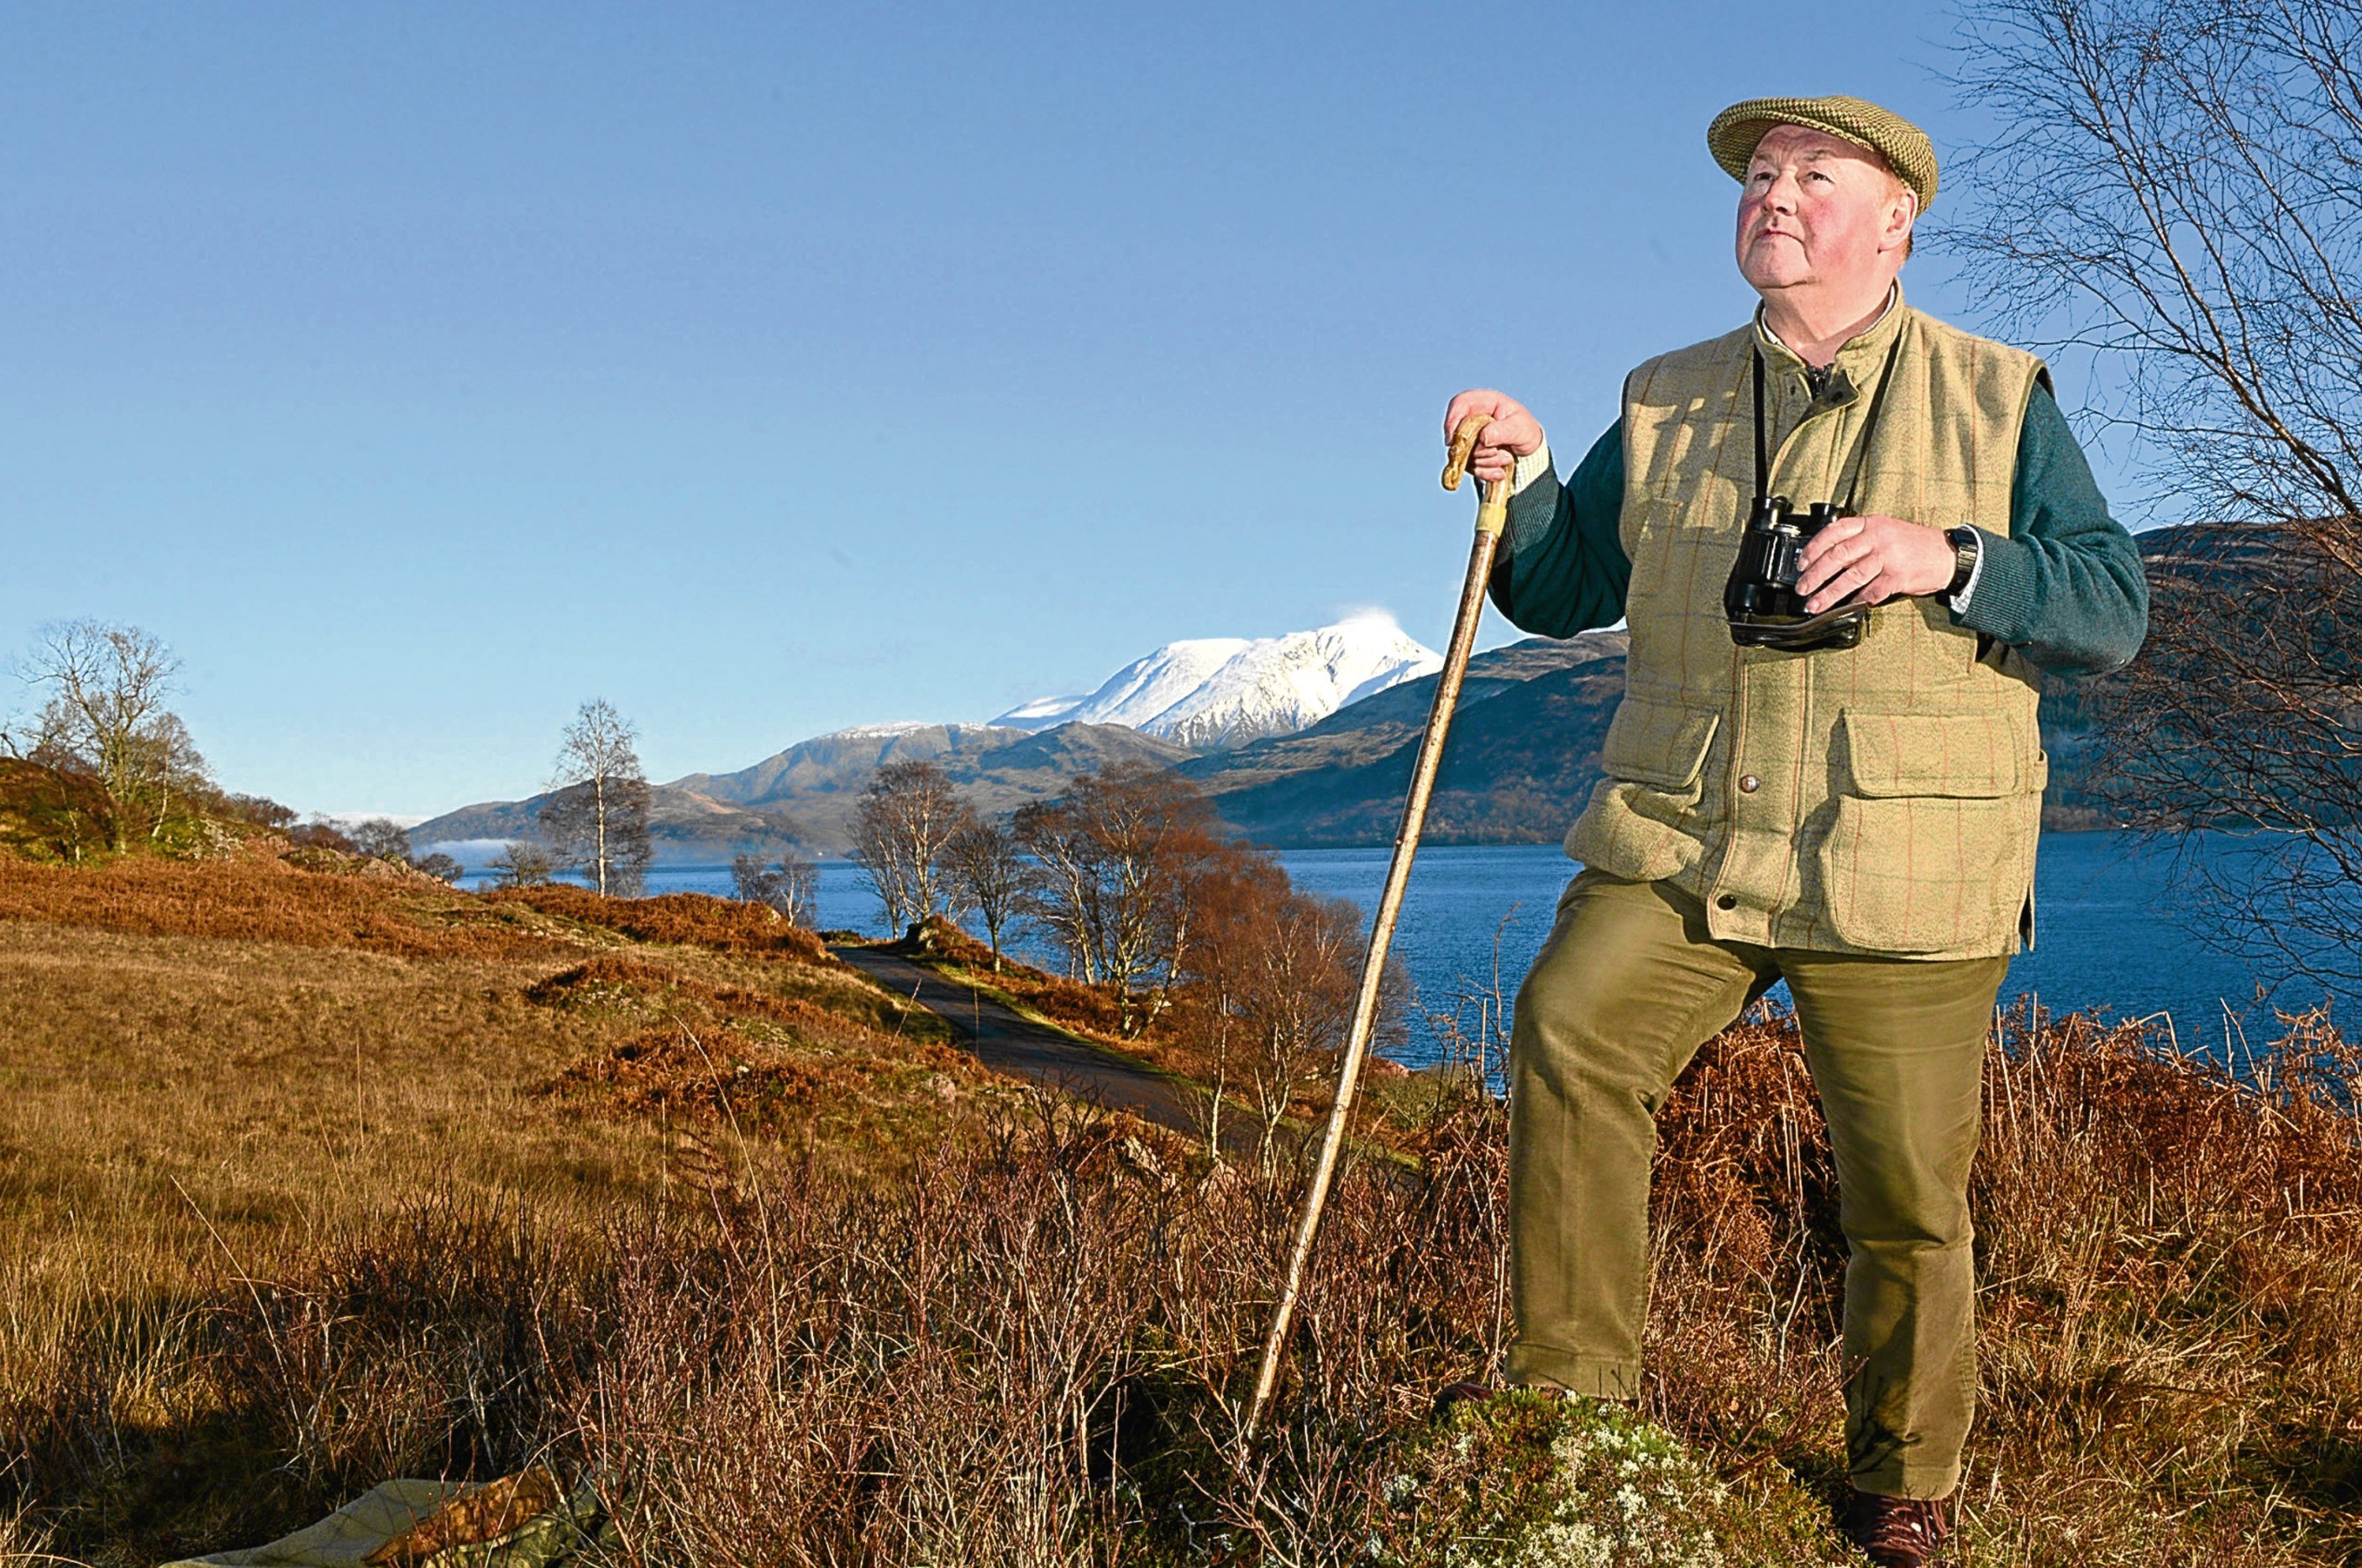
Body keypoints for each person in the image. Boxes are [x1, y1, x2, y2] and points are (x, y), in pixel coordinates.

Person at [1441, 95, 2147, 1567]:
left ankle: (1903, 1480)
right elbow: (1568, 592)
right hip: (1689, 831)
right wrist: (1518, 477)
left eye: (1813, 177)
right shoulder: (1666, 395)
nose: (1774, 194)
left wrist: (1945, 556)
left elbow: (2109, 608)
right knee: (1572, 1028)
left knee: (1901, 1189)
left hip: (1901, 857)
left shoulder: (1998, 392)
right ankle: (1571, 1423)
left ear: (1894, 223)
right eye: (1761, 175)